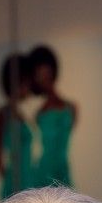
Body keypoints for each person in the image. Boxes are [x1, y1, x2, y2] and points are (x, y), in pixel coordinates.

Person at [28, 44, 77, 189]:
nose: (44, 77)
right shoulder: (39, 113)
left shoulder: (71, 108)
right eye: (39, 75)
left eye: (46, 72)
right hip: (43, 171)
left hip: (62, 169)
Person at [0, 52, 36, 200]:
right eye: (25, 83)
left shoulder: (22, 114)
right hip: (15, 182)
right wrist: (11, 182)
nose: (28, 88)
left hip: (28, 180)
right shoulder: (3, 114)